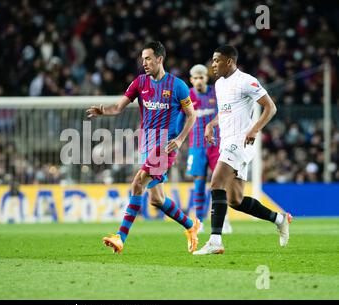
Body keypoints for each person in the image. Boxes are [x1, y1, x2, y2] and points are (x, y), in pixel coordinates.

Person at [86, 41, 200, 254]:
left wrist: (181, 139)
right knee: (157, 199)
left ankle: (120, 237)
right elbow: (119, 107)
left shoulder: (178, 86)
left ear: (160, 59)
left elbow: (192, 115)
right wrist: (103, 111)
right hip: (146, 144)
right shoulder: (140, 83)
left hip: (165, 147)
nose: (144, 62)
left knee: (137, 183)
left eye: (148, 58)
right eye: (142, 58)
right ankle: (190, 225)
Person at [193, 45, 292, 255]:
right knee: (235, 200)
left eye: (217, 60)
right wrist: (211, 124)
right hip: (227, 142)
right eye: (212, 60)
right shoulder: (219, 85)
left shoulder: (246, 80)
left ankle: (215, 240)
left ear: (229, 61)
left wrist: (255, 129)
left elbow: (270, 107)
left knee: (215, 181)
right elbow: (225, 112)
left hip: (240, 142)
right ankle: (280, 219)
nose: (213, 64)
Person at [180, 64, 232, 233]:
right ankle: (200, 221)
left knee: (219, 183)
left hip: (215, 145)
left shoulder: (215, 93)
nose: (198, 81)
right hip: (196, 147)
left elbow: (224, 111)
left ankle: (223, 220)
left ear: (206, 78)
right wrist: (176, 137)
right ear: (191, 80)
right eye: (195, 78)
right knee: (199, 184)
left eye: (201, 77)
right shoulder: (186, 96)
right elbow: (180, 119)